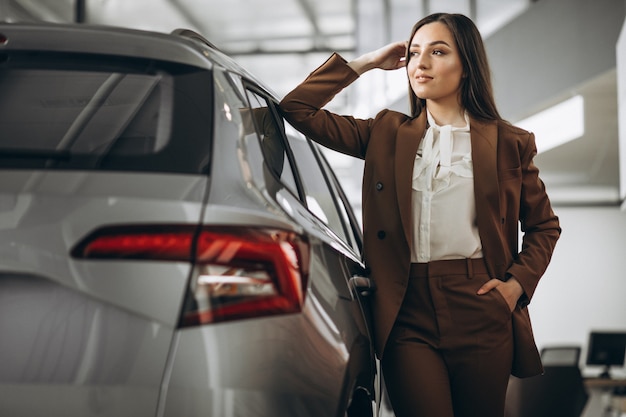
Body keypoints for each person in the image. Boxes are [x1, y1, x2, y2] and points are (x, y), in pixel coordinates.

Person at [279, 12, 561, 417]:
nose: (420, 63)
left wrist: (516, 285)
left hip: (481, 304)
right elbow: (296, 107)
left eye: (438, 51)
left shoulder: (508, 142)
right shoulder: (385, 134)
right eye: (413, 53)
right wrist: (368, 62)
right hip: (405, 309)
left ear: (466, 67)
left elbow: (543, 226)